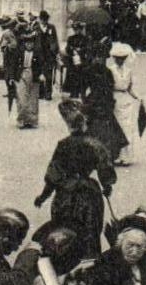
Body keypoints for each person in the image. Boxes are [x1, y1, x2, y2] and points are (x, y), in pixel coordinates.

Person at [35, 98, 116, 272]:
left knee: (64, 234)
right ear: (85, 123)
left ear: (69, 126)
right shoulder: (95, 144)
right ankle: (91, 268)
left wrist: (42, 197)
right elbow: (106, 169)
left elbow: (53, 174)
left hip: (65, 195)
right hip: (89, 196)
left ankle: (64, 267)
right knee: (90, 235)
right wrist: (106, 186)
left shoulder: (63, 145)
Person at [107, 42, 143, 165]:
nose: (120, 61)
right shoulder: (110, 70)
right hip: (115, 99)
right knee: (117, 128)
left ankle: (127, 156)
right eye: (118, 58)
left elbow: (130, 87)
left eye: (122, 59)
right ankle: (117, 155)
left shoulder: (128, 70)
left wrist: (138, 97)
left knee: (128, 128)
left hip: (126, 100)